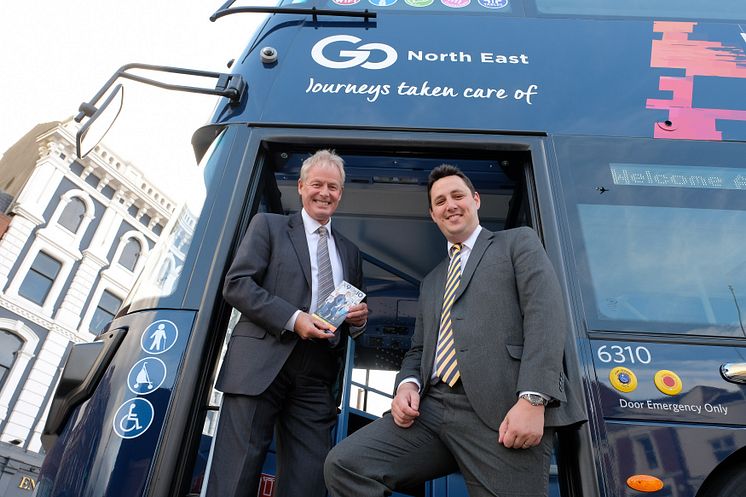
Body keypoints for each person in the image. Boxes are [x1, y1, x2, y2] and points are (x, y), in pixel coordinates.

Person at [324, 164, 585, 497]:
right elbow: (419, 349)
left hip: (503, 412)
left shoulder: (517, 243)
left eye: (458, 195)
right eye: (440, 201)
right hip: (432, 412)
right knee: (346, 465)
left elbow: (545, 316)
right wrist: (407, 384)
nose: (450, 205)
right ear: (433, 215)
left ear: (476, 200)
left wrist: (533, 399)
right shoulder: (432, 281)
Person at [207, 149, 368, 497]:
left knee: (310, 481)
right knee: (235, 476)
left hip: (317, 373)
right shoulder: (269, 226)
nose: (325, 193)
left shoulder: (351, 252)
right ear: (300, 187)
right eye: (317, 184)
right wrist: (294, 320)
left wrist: (358, 320)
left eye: (333, 187)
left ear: (341, 193)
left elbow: (351, 313)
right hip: (261, 364)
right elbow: (237, 285)